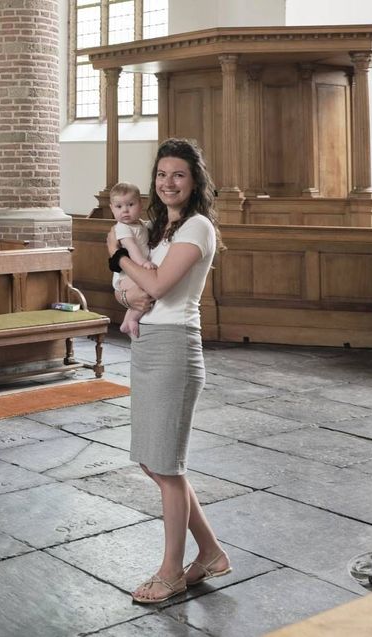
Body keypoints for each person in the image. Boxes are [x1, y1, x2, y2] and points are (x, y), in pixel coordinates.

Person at [106, 138, 231, 604]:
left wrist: (119, 261)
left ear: (194, 180)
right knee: (151, 459)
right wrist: (125, 290)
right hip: (149, 344)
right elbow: (133, 291)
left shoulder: (197, 227)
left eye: (178, 174)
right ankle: (212, 552)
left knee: (166, 464)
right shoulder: (158, 228)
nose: (167, 183)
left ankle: (171, 571)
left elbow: (155, 283)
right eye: (161, 175)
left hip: (176, 347)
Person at [110, 181, 155, 337]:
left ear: (140, 205)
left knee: (143, 292)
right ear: (111, 208)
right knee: (146, 289)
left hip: (133, 272)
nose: (125, 211)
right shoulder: (121, 227)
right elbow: (131, 248)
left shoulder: (140, 224)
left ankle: (127, 321)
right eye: (119, 207)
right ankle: (132, 320)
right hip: (126, 275)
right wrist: (143, 263)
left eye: (130, 204)